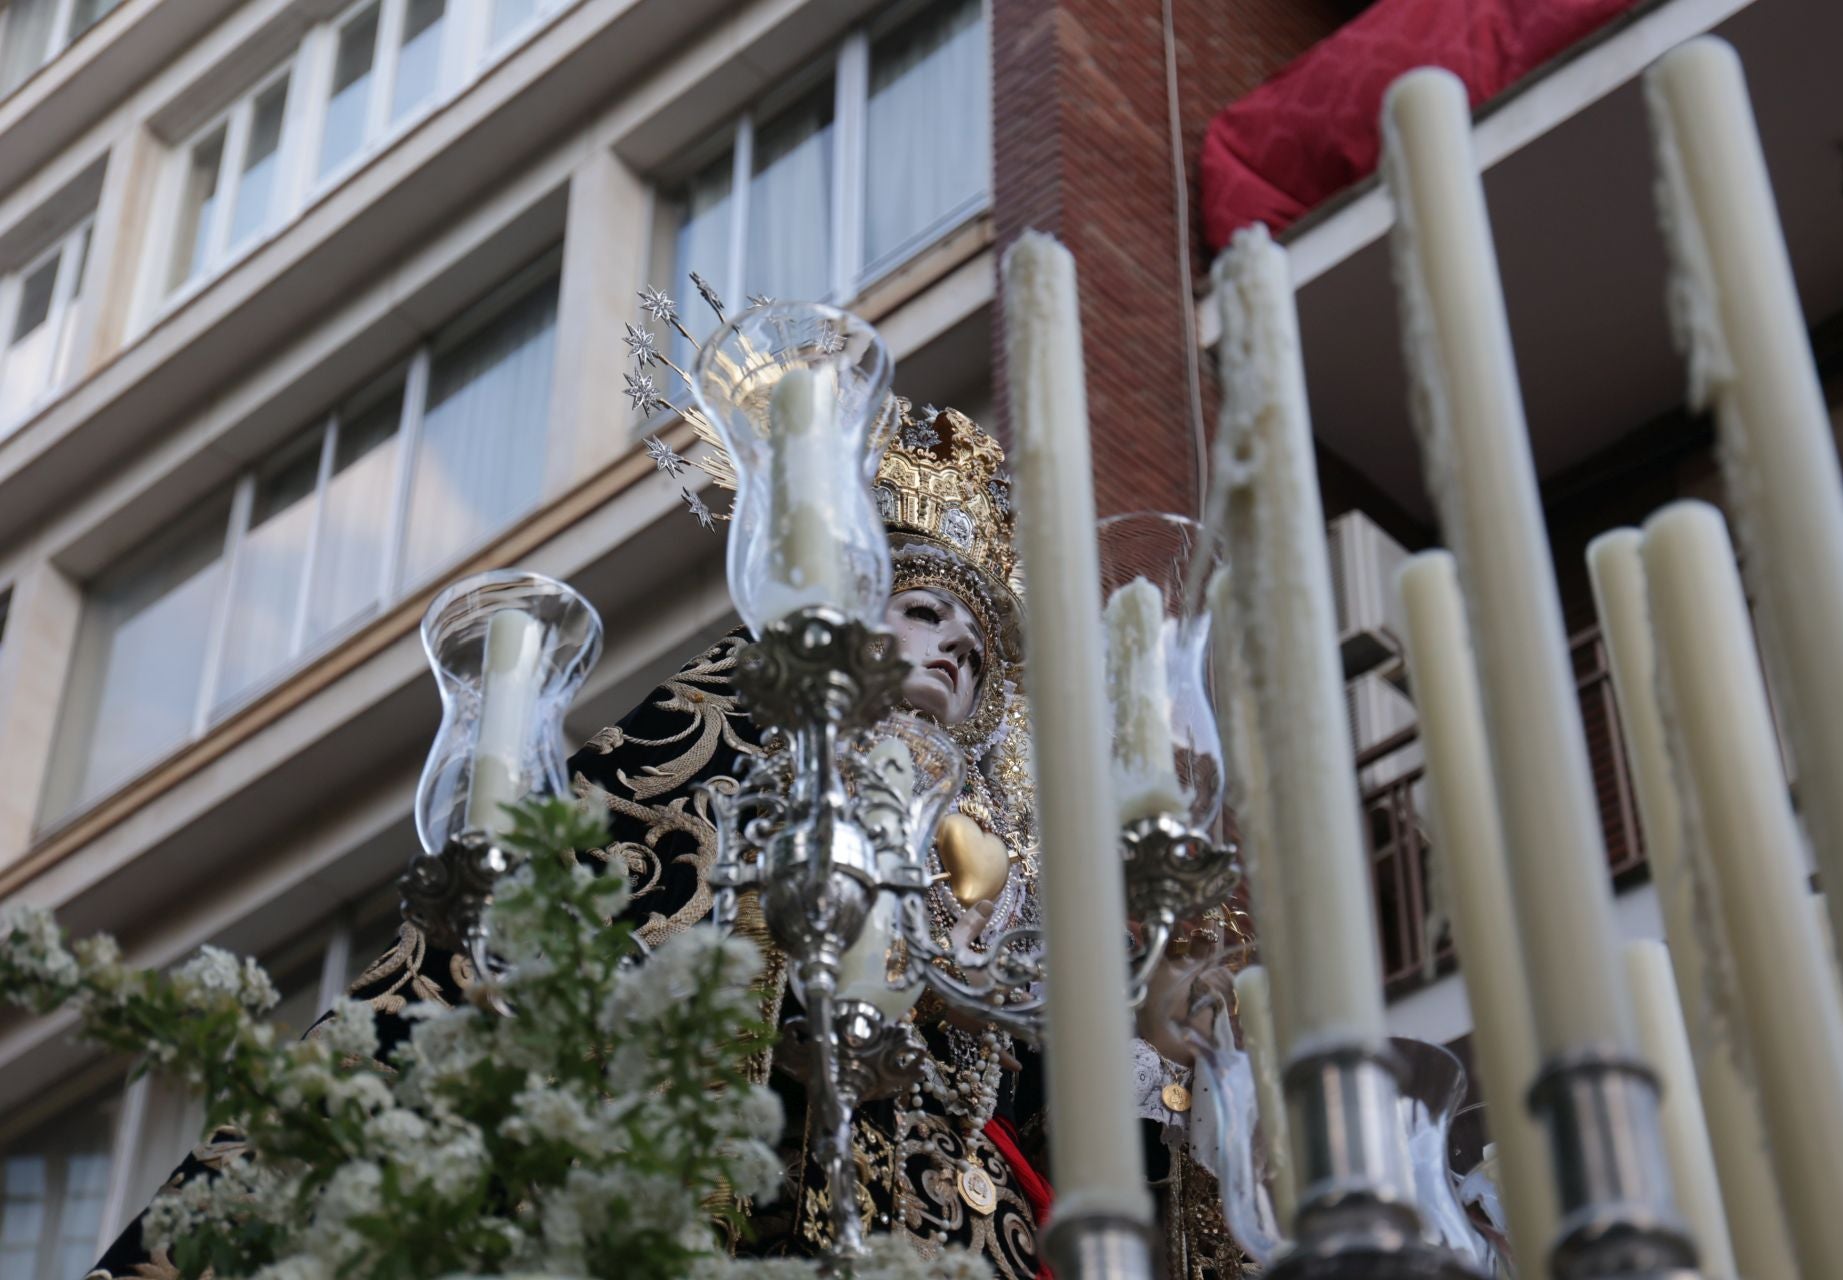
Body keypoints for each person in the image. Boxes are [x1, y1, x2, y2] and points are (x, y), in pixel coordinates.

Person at [91, 407, 1244, 1280]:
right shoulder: (744, 728)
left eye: (977, 651)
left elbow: (1060, 1095)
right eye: (923, 610)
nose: (951, 648)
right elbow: (624, 889)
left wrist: (1161, 1063)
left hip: (951, 1212)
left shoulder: (998, 867)